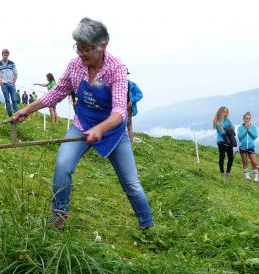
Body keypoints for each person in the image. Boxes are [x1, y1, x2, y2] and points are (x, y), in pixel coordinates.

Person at [12, 17, 153, 230]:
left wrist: (100, 128)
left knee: (131, 183)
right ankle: (59, 214)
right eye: (77, 47)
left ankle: (148, 226)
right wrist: (27, 110)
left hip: (113, 131)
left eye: (85, 49)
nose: (80, 53)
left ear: (102, 46)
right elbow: (57, 92)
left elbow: (119, 112)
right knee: (63, 165)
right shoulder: (75, 65)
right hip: (82, 123)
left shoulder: (117, 69)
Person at [213, 106, 235, 176]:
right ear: (220, 112)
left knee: (231, 157)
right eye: (223, 112)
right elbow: (222, 132)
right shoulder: (218, 121)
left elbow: (233, 128)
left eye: (226, 112)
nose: (225, 113)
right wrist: (229, 130)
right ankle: (222, 173)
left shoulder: (228, 120)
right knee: (222, 157)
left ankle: (228, 173)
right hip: (221, 141)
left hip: (229, 141)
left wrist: (227, 129)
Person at [237, 112, 259, 183]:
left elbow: (255, 136)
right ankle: (247, 177)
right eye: (246, 118)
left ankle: (256, 178)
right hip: (242, 147)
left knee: (254, 162)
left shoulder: (253, 127)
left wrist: (249, 129)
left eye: (249, 118)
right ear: (243, 119)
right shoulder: (240, 127)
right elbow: (240, 137)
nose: (248, 120)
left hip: (250, 147)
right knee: (245, 162)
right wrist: (245, 129)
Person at [0, 49, 19, 116]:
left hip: (11, 84)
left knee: (14, 100)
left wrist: (13, 83)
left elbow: (16, 74)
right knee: (7, 99)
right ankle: (9, 114)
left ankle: (16, 114)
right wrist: (0, 82)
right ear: (2, 55)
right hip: (4, 85)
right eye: (4, 55)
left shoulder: (12, 63)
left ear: (8, 55)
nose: (5, 56)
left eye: (6, 55)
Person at [127, 76, 143, 143]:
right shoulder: (115, 83)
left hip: (128, 108)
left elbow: (140, 94)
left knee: (129, 125)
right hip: (117, 108)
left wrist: (132, 100)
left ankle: (131, 142)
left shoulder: (132, 85)